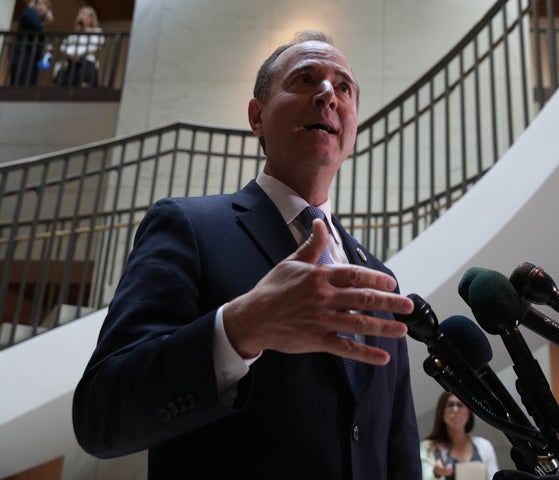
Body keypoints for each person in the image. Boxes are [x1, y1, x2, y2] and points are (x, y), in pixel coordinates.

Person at [72, 30, 422, 479]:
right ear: (257, 116)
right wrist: (240, 329)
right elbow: (101, 414)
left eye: (344, 87)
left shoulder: (376, 277)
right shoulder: (189, 227)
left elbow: (398, 451)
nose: (328, 95)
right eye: (305, 79)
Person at [421, 392, 499, 480]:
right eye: (450, 405)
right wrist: (437, 473)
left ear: (469, 411)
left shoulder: (484, 446)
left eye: (460, 405)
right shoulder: (428, 447)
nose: (455, 410)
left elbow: (494, 477)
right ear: (441, 412)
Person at [56, 6, 104, 87]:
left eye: (89, 15)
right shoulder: (74, 34)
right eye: (84, 15)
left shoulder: (97, 31)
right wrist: (70, 54)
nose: (86, 17)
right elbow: (64, 46)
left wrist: (78, 54)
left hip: (87, 62)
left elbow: (95, 46)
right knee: (65, 82)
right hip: (71, 62)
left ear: (92, 18)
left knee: (84, 84)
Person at [9, 0, 53, 86]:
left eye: (44, 4)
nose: (41, 6)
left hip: (31, 61)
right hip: (22, 56)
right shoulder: (29, 12)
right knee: (19, 85)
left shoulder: (41, 22)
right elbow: (37, 27)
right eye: (39, 3)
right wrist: (45, 43)